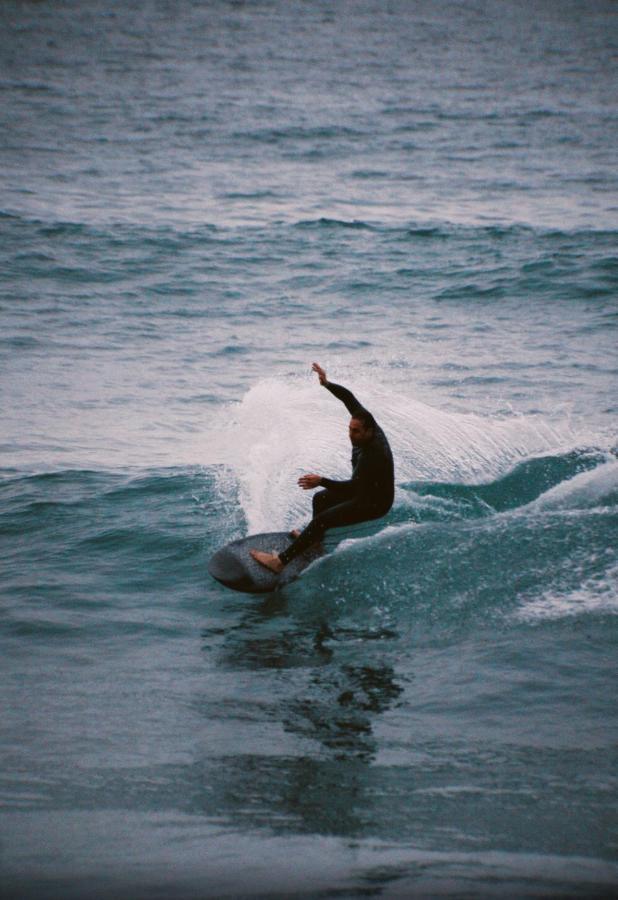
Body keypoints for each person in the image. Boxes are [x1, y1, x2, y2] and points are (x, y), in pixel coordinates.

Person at [250, 362, 395, 574]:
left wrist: (321, 481)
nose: (350, 434)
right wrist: (327, 383)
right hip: (364, 490)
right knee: (320, 499)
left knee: (322, 520)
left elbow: (354, 489)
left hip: (375, 502)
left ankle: (279, 563)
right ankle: (314, 543)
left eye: (356, 432)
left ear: (369, 432)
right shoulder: (364, 419)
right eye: (349, 429)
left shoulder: (374, 455)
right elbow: (349, 398)